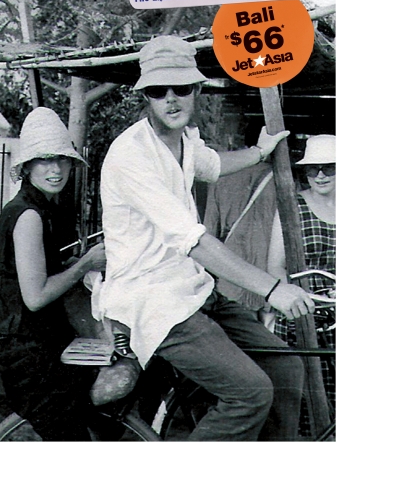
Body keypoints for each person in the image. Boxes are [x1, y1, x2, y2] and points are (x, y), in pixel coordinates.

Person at [95, 36, 315, 441]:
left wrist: (259, 151)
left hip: (193, 289)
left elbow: (211, 164)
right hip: (154, 300)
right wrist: (272, 289)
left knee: (286, 368)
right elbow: (193, 240)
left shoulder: (183, 141)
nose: (171, 99)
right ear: (145, 96)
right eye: (158, 91)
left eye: (181, 88)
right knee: (250, 393)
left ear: (196, 90)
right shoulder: (131, 155)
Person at [0, 107, 108, 441]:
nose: (55, 169)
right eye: (44, 160)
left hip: (44, 346)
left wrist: (71, 262)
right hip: (27, 357)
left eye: (61, 159)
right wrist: (85, 264)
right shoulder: (28, 215)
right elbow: (35, 296)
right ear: (27, 166)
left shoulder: (42, 209)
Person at [267, 134, 336, 431]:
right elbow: (275, 266)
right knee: (300, 408)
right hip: (300, 318)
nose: (320, 175)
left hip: (340, 320)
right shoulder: (291, 207)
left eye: (329, 167)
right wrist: (297, 300)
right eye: (312, 169)